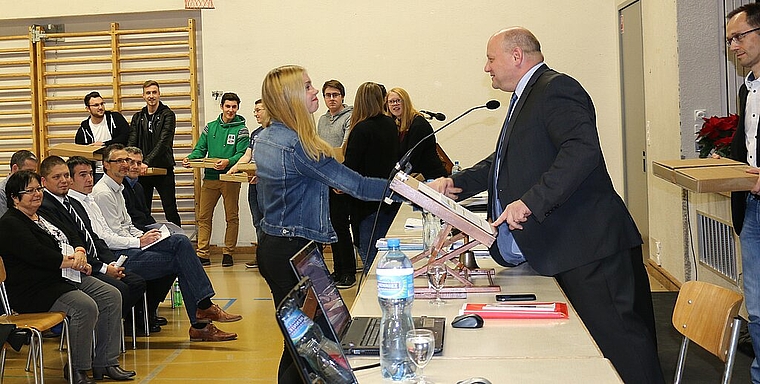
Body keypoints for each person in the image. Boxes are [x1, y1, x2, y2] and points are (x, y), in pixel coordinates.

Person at [428, 28, 664, 383]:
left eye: (491, 59)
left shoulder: (555, 89)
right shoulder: (528, 95)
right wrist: (457, 183)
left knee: (623, 348)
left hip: (589, 246)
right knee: (595, 348)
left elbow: (581, 151)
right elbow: (504, 162)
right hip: (567, 246)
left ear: (516, 56)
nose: (486, 68)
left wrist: (529, 202)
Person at [255, 65, 391, 381]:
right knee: (310, 342)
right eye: (307, 86)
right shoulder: (297, 145)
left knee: (301, 341)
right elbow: (356, 185)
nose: (315, 91)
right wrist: (410, 189)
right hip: (294, 253)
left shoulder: (267, 137)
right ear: (290, 97)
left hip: (276, 248)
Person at [68, 148, 242, 342]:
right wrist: (139, 242)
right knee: (180, 259)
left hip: (129, 245)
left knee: (180, 241)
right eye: (119, 161)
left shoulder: (114, 190)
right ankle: (202, 315)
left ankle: (203, 312)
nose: (126, 165)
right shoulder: (101, 194)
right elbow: (107, 239)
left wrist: (146, 236)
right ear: (106, 165)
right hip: (119, 255)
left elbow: (127, 226)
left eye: (127, 160)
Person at [0, 170, 134, 384]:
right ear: (15, 198)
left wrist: (80, 252)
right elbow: (39, 255)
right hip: (35, 288)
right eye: (30, 191)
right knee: (85, 307)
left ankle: (106, 363)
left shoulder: (40, 216)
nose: (37, 194)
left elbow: (71, 234)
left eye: (38, 189)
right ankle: (77, 368)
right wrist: (75, 263)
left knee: (111, 295)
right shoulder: (10, 223)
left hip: (63, 275)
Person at [37, 156, 148, 330]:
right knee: (119, 290)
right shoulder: (46, 206)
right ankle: (102, 335)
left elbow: (93, 237)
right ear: (44, 181)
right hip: (75, 268)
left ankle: (110, 331)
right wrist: (103, 268)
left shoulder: (73, 203)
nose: (64, 181)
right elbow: (69, 243)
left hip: (93, 261)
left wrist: (110, 262)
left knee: (136, 282)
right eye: (57, 177)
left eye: (66, 176)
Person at [728, 4, 760, 382]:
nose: (734, 46)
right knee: (757, 309)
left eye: (740, 36)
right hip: (751, 210)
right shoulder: (746, 89)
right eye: (729, 40)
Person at [182, 92, 249, 267]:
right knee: (204, 217)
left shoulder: (242, 129)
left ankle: (228, 253)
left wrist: (229, 161)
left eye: (234, 107)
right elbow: (200, 149)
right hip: (210, 178)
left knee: (231, 217)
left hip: (230, 177)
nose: (231, 110)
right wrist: (191, 159)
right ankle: (203, 253)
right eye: (228, 106)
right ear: (221, 107)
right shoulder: (210, 127)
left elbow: (243, 154)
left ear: (237, 108)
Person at [343, 82, 400, 274]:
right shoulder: (390, 124)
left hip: (364, 201)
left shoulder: (361, 129)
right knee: (383, 255)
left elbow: (351, 166)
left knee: (369, 258)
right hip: (387, 195)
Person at [316, 79, 357, 288]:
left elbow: (344, 148)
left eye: (335, 95)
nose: (331, 99)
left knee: (342, 228)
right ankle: (338, 270)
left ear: (342, 96)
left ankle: (349, 272)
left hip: (341, 180)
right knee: (330, 228)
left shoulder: (349, 117)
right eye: (328, 95)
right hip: (325, 180)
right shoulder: (322, 120)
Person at [127, 80, 181, 227]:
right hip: (143, 171)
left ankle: (180, 240)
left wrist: (147, 161)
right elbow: (132, 141)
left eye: (154, 92)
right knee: (142, 209)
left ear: (159, 94)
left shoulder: (168, 115)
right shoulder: (138, 117)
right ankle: (145, 240)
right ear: (143, 96)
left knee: (170, 208)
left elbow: (164, 142)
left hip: (163, 169)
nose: (151, 96)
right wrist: (133, 162)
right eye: (148, 93)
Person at [228, 99, 270, 268]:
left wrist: (261, 174)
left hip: (268, 185)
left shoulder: (274, 133)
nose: (256, 113)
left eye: (259, 110)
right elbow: (247, 156)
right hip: (253, 184)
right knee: (257, 220)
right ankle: (262, 256)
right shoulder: (255, 133)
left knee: (269, 221)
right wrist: (234, 168)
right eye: (255, 110)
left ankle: (269, 257)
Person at [386, 87, 447, 180]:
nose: (395, 104)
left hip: (430, 177)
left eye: (398, 101)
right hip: (416, 175)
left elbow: (411, 158)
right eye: (391, 102)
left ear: (405, 102)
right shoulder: (397, 124)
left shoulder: (418, 124)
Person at [75, 91, 130, 182]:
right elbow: (79, 153)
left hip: (119, 169)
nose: (100, 107)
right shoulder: (83, 130)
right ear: (88, 109)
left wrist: (104, 144)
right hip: (97, 172)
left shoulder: (115, 118)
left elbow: (125, 136)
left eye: (102, 104)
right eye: (96, 105)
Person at [0, 150, 38, 217]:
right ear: (15, 168)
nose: (31, 175)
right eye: (28, 171)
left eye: (34, 172)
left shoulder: (36, 189)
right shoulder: (1, 191)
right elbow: (4, 221)